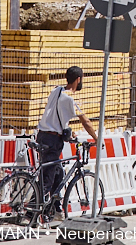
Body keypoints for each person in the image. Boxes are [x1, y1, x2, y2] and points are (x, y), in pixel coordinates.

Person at [37, 66, 97, 211]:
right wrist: (97, 138)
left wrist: (68, 130)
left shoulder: (56, 90)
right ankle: (30, 212)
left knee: (58, 173)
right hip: (52, 140)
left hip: (42, 135)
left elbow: (55, 114)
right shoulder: (70, 98)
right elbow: (86, 122)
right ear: (78, 79)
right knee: (47, 178)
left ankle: (54, 209)